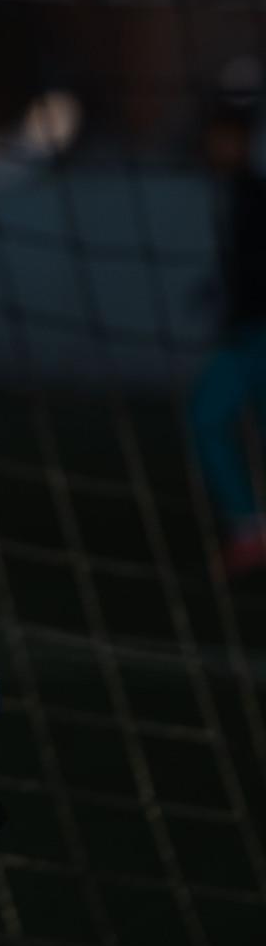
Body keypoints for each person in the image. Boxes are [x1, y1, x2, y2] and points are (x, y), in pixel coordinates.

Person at [188, 83, 266, 578]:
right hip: (247, 331)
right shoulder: (236, 193)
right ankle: (249, 531)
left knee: (208, 417)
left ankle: (249, 531)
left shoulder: (252, 195)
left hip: (255, 335)